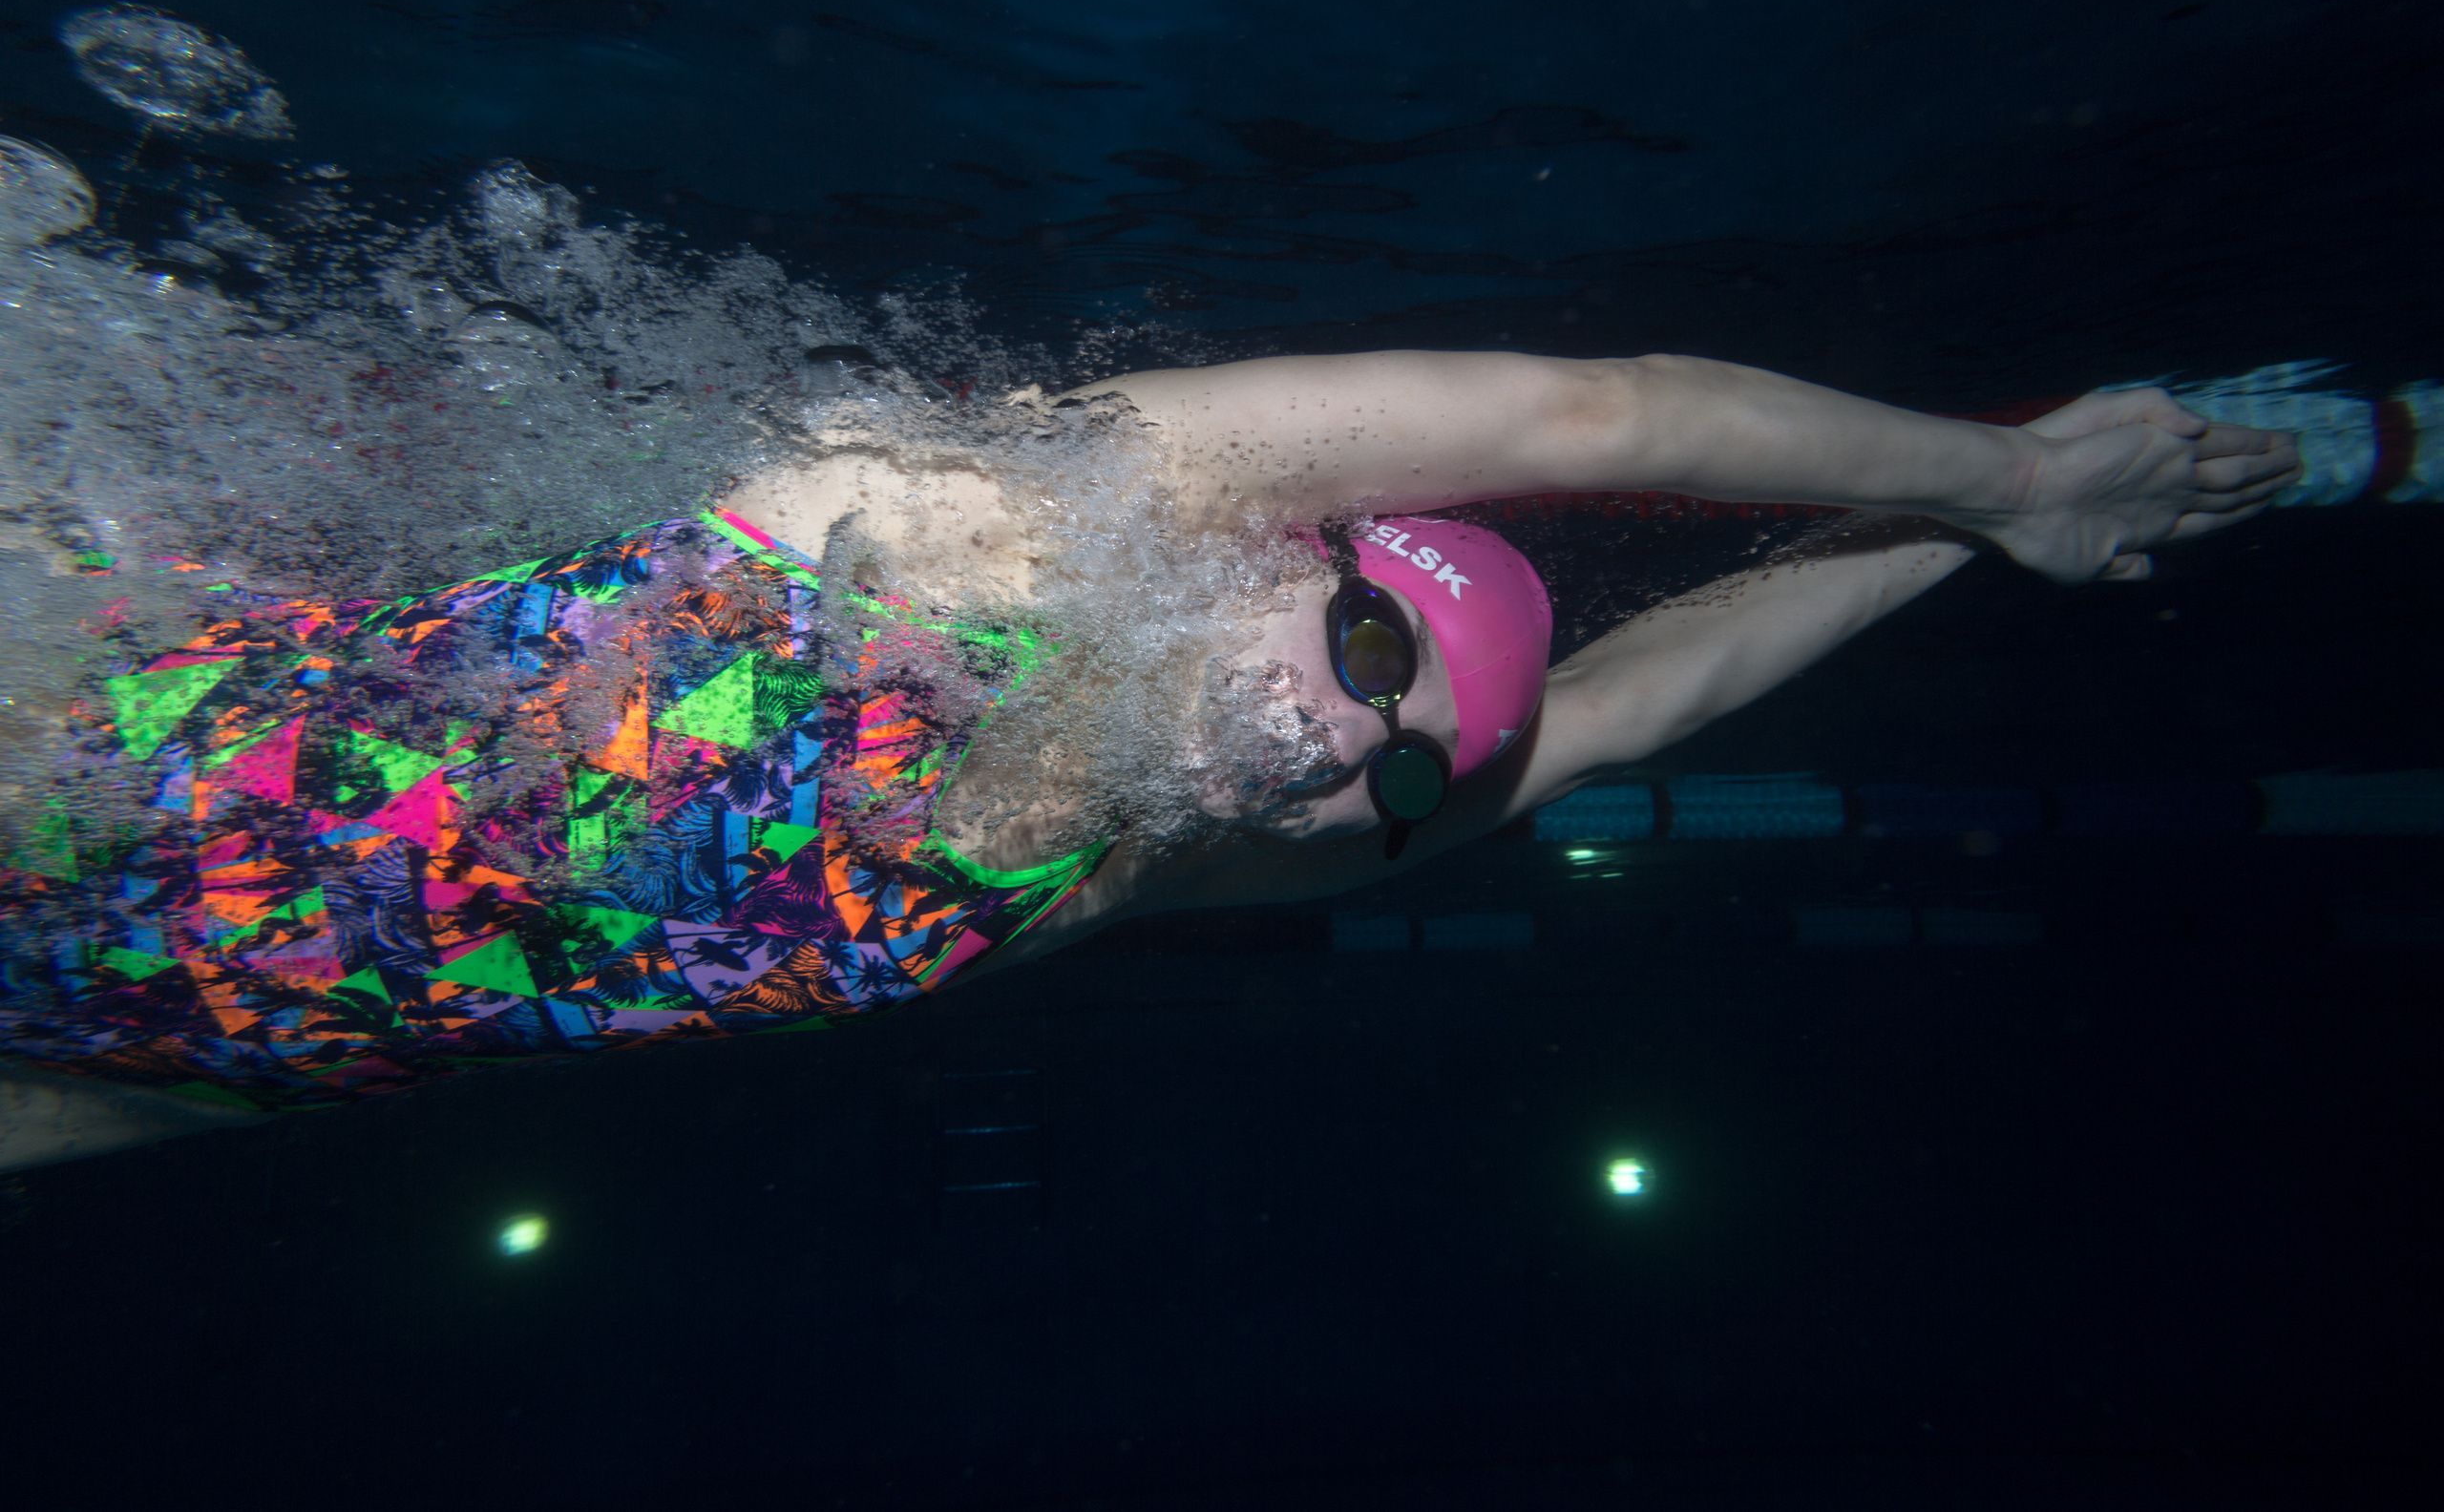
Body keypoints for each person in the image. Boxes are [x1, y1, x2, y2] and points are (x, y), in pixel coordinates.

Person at [0, 349, 2300, 1168]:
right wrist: (2004, 473)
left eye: (1398, 768)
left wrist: (1947, 545)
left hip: (117, 1081)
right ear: (1264, 550)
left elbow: (1643, 700)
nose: (1348, 737)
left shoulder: (1154, 877)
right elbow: (1582, 416)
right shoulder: (959, 527)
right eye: (1372, 635)